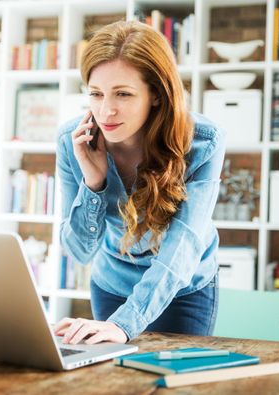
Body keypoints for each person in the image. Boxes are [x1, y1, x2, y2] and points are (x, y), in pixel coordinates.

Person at [53, 20, 226, 345]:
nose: (106, 111)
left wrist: (125, 323)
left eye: (123, 94)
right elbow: (78, 251)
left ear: (157, 95)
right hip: (112, 283)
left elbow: (183, 245)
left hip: (184, 287)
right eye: (96, 94)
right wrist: (94, 181)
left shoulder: (203, 142)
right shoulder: (72, 141)